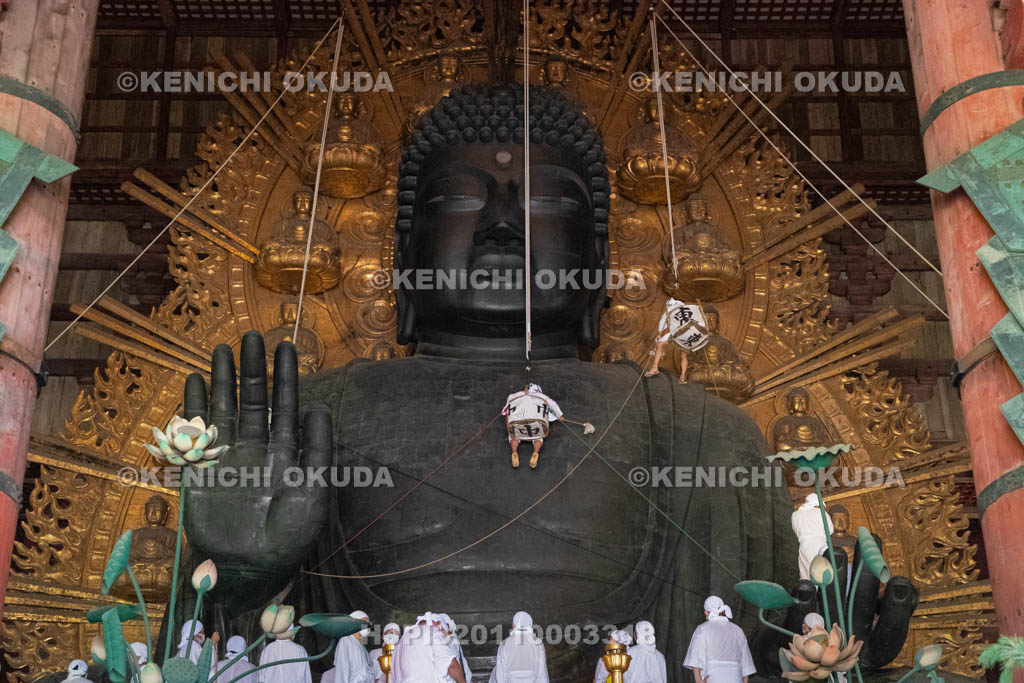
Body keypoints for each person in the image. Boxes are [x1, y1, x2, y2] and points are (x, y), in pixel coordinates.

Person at [683, 597, 756, 683]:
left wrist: (698, 680)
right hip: (735, 678)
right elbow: (745, 662)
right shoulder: (737, 630)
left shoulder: (703, 628)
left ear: (706, 612)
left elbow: (695, 656)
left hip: (713, 677)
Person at [645, 298, 711, 383]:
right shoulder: (687, 308)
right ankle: (683, 376)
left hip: (679, 334)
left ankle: (654, 367)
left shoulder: (670, 310)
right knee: (684, 355)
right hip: (690, 336)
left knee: (660, 344)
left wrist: (659, 335)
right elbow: (697, 320)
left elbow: (662, 325)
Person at [502, 383, 564, 468]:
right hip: (536, 426)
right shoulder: (542, 396)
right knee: (538, 438)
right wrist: (559, 415)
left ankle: (514, 452)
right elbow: (552, 404)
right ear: (538, 390)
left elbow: (506, 409)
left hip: (517, 425)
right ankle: (535, 453)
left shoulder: (513, 395)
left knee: (513, 437)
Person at [391, 612, 465, 683]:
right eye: (444, 631)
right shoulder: (431, 632)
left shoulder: (400, 642)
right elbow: (451, 664)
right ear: (437, 624)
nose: (443, 635)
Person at [489, 611, 547, 683]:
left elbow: (500, 675)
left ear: (513, 625)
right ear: (530, 625)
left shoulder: (504, 644)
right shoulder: (538, 644)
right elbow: (542, 674)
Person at [791, 493, 834, 581]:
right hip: (820, 545)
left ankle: (808, 592)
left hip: (804, 546)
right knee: (820, 572)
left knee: (806, 573)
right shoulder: (821, 513)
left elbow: (796, 531)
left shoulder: (795, 515)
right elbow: (830, 530)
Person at [333, 610, 375, 683]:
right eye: (365, 622)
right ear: (355, 622)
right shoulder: (345, 641)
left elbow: (368, 671)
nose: (368, 625)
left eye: (369, 623)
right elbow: (342, 671)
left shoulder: (362, 645)